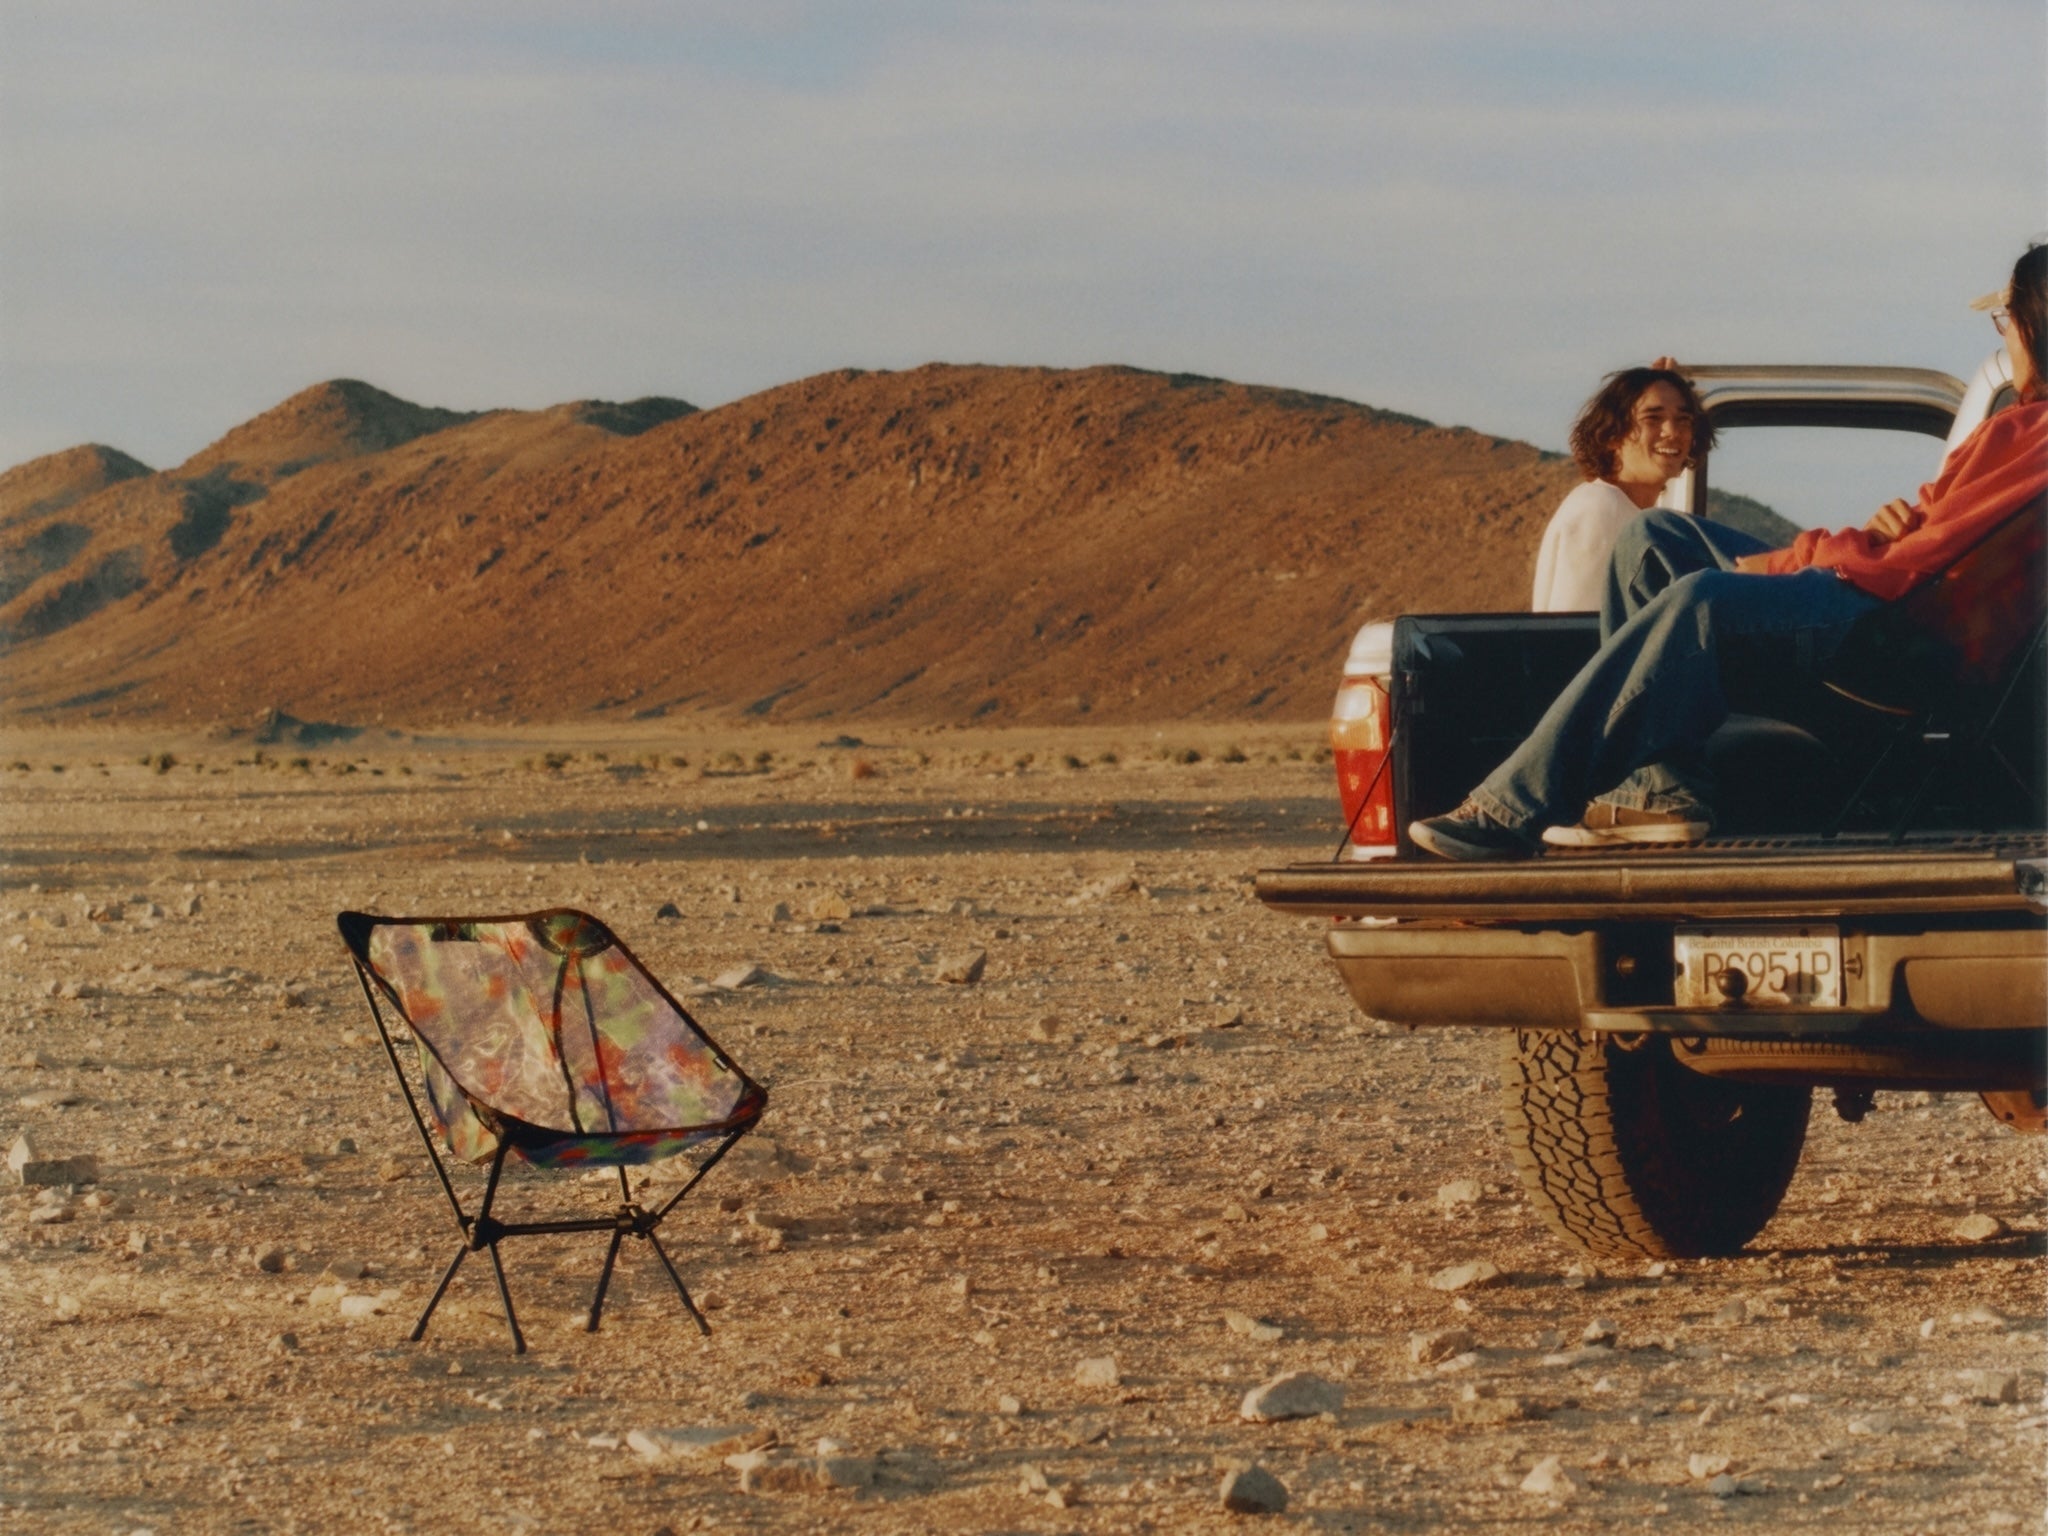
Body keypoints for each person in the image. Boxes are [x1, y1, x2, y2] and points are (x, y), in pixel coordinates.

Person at [1411, 243, 2048, 861]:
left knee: (1702, 596)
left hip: (1899, 633)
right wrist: (1897, 522)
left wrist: (1793, 560)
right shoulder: (2016, 430)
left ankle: (1510, 808)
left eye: (2008, 321)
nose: (2004, 338)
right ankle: (1661, 792)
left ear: (2035, 324)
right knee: (1653, 539)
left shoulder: (2033, 438)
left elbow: (1921, 560)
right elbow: (1934, 528)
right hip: (1896, 602)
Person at [1530, 364, 1717, 612]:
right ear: (1613, 435)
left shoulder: (1632, 513)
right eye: (1653, 418)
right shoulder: (1600, 508)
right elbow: (1578, 629)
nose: (1672, 431)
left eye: (1683, 419)